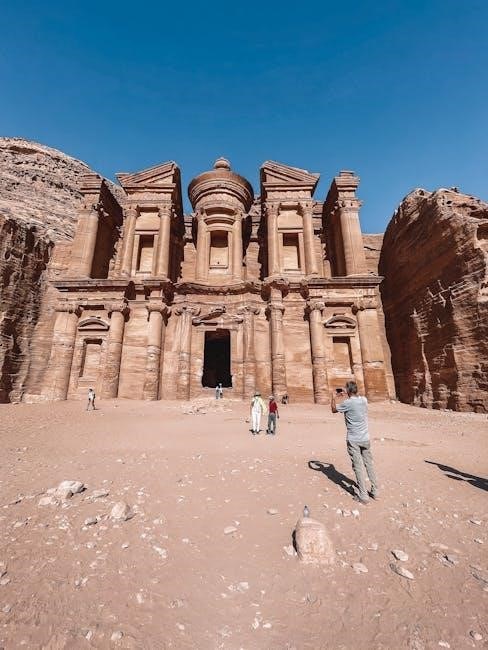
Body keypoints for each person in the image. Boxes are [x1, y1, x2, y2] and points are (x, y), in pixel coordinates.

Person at [331, 381, 378, 504]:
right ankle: (375, 491)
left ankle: (363, 495)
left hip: (354, 440)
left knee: (358, 467)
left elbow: (333, 410)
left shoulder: (347, 403)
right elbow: (357, 397)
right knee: (369, 464)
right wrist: (349, 392)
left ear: (348, 391)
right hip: (365, 438)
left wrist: (334, 397)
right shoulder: (364, 400)